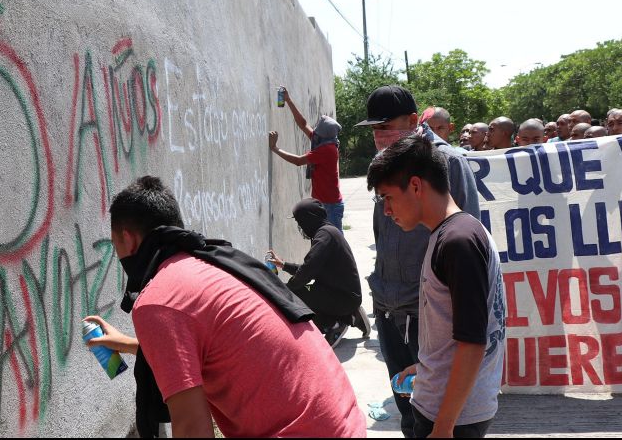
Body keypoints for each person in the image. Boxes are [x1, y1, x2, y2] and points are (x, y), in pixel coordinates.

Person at [84, 176, 366, 438]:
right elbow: (209, 350)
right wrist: (127, 345)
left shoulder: (158, 299)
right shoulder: (217, 265)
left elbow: (193, 428)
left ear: (127, 238)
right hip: (344, 422)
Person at [355, 85, 480, 438]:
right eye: (374, 130)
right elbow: (382, 236)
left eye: (386, 126)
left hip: (430, 316)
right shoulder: (384, 164)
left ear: (413, 120)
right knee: (408, 410)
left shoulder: (447, 163)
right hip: (390, 308)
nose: (380, 136)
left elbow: (466, 239)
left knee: (439, 414)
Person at [366, 135, 505, 439]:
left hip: (454, 418)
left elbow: (473, 342)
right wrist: (425, 368)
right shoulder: (450, 233)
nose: (386, 211)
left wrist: (444, 427)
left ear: (416, 186)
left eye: (388, 197)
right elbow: (452, 330)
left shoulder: (458, 242)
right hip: (446, 406)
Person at [267, 198, 370, 348]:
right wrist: (284, 265)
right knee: (302, 291)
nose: (300, 226)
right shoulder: (326, 232)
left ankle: (335, 324)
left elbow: (307, 271)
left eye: (300, 221)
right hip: (344, 294)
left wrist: (285, 290)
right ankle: (350, 314)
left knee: (296, 296)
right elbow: (311, 269)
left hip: (343, 297)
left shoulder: (324, 236)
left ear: (309, 219)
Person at [269, 87, 345, 231]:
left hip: (330, 205)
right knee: (324, 241)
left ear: (323, 134)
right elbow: (303, 125)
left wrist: (275, 148)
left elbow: (298, 161)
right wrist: (288, 100)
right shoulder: (324, 141)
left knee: (335, 244)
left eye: (317, 130)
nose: (314, 131)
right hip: (323, 203)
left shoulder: (327, 150)